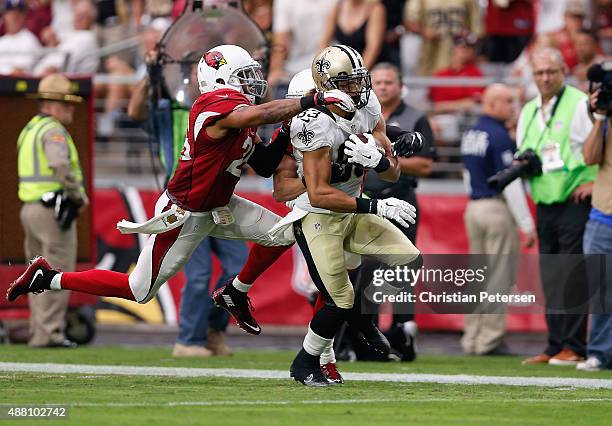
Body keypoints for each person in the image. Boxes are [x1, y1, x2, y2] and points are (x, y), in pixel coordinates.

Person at [6, 45, 356, 320]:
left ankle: (235, 291)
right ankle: (49, 278)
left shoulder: (240, 115)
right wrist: (311, 100)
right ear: (223, 79)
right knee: (137, 289)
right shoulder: (212, 104)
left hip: (219, 206)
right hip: (184, 212)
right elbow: (259, 113)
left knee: (286, 231)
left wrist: (288, 129)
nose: (253, 83)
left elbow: (264, 165)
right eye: (245, 76)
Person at [278, 45, 421, 386]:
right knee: (338, 299)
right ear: (326, 85)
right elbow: (318, 193)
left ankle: (358, 319)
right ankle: (305, 362)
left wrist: (381, 162)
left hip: (351, 207)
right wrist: (377, 206)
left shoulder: (368, 106)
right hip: (318, 215)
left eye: (359, 80)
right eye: (348, 82)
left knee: (410, 261)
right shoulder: (313, 122)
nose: (359, 89)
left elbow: (392, 175)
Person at [127, 49, 248, 358]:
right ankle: (188, 340)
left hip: (220, 200)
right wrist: (149, 74)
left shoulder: (231, 107)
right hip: (186, 202)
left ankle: (212, 331)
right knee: (198, 275)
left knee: (240, 269)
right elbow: (135, 111)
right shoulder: (172, 109)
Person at [518, 48, 598, 366]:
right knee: (551, 276)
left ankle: (574, 345)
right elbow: (524, 152)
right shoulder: (528, 110)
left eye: (551, 71)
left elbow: (597, 148)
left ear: (564, 71)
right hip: (544, 201)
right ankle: (554, 345)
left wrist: (594, 182)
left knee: (573, 275)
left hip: (574, 199)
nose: (545, 78)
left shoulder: (580, 102)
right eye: (539, 72)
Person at [359, 61, 435, 361]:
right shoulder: (362, 115)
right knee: (367, 272)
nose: (383, 87)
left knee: (402, 268)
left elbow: (427, 164)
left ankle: (404, 331)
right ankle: (370, 337)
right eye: (377, 82)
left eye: (389, 82)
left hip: (400, 198)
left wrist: (382, 156)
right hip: (366, 200)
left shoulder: (415, 117)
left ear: (400, 85)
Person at [461, 84, 536, 356]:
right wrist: (526, 224)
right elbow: (511, 183)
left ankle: (471, 337)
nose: (512, 108)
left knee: (477, 276)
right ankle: (489, 340)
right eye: (507, 102)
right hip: (495, 208)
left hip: (474, 206)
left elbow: (467, 174)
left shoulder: (471, 133)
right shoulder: (499, 135)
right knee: (498, 277)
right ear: (491, 104)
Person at [17, 74, 88, 347]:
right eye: (67, 104)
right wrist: (77, 196)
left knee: (35, 274)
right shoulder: (53, 131)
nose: (71, 109)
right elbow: (60, 165)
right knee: (55, 273)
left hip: (30, 209)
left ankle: (39, 331)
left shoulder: (29, 129)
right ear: (53, 105)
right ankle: (50, 334)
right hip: (52, 211)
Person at [576, 88, 612, 372]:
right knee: (600, 292)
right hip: (603, 216)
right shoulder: (605, 121)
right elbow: (589, 158)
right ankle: (599, 353)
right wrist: (599, 117)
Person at [266, 0, 338, 89]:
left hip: (331, 70)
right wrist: (275, 71)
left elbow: (326, 40)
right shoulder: (283, 2)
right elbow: (281, 38)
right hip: (294, 71)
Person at [405, 0, 481, 76]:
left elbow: (477, 28)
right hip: (431, 54)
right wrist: (424, 31)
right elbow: (410, 21)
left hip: (461, 55)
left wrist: (470, 43)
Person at [319, 0, 386, 70]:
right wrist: (320, 66)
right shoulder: (338, 7)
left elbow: (373, 47)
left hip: (373, 67)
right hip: (345, 67)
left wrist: (358, 74)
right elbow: (325, 41)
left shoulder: (375, 8)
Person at [428, 32, 484, 114]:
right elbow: (435, 105)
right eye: (461, 46)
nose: (465, 50)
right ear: (454, 48)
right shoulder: (441, 74)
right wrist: (461, 104)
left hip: (467, 119)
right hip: (441, 119)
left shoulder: (477, 74)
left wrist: (447, 106)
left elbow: (474, 103)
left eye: (470, 47)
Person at [0, 0, 42, 75]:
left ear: (24, 16)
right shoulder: (2, 41)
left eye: (18, 13)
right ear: (4, 16)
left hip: (17, 83)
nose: (14, 17)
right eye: (10, 13)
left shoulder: (30, 40)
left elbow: (20, 71)